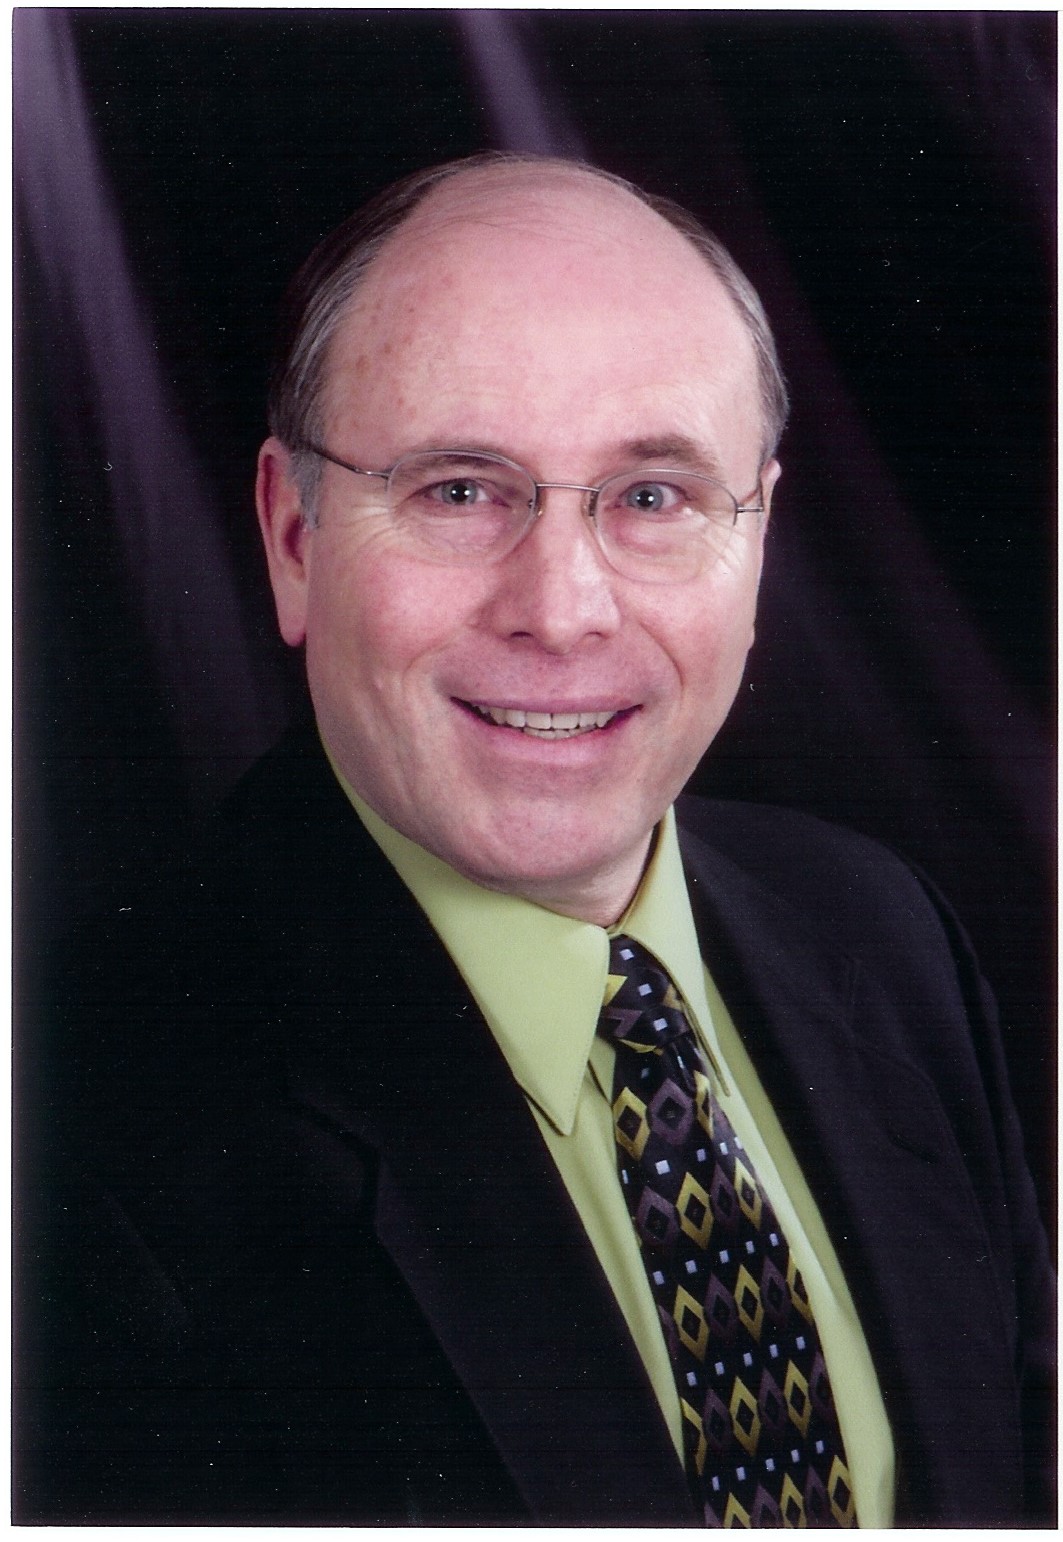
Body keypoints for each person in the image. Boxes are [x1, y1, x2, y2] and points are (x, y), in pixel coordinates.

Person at [16, 153, 1053, 1526]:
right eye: (459, 490)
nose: (561, 611)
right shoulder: (76, 1126)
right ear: (292, 538)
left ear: (756, 542)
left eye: (654, 496)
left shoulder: (886, 937)